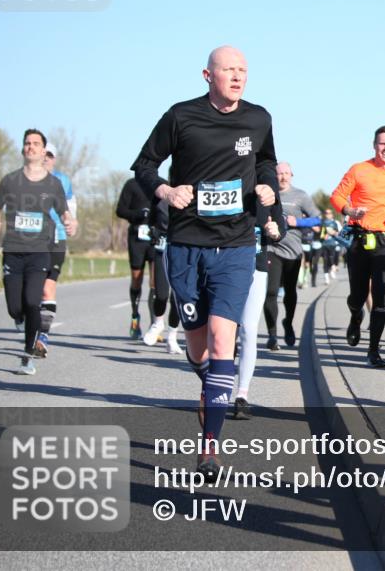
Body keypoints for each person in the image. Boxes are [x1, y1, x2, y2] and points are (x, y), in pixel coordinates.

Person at [132, 45, 278, 477]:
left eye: (243, 70)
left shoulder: (259, 118)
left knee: (221, 342)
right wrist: (166, 191)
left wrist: (267, 187)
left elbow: (266, 160)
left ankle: (209, 448)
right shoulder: (181, 116)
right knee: (199, 348)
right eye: (229, 70)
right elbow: (143, 165)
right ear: (207, 75)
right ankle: (211, 383)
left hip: (234, 246)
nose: (238, 76)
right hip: (186, 245)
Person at [0, 129, 76, 375]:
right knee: (15, 308)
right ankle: (21, 321)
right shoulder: (10, 180)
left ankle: (28, 357)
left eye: (36, 144)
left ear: (43, 150)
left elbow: (64, 212)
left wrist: (71, 223)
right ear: (23, 149)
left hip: (40, 251)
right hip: (13, 251)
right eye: (27, 143)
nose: (31, 147)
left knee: (31, 302)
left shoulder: (54, 183)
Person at [330, 125, 385, 368]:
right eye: (382, 143)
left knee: (380, 297)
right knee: (357, 296)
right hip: (359, 239)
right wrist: (349, 210)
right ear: (374, 145)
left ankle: (374, 350)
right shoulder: (359, 169)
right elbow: (336, 196)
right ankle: (355, 316)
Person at [233, 200, 285, 419]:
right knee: (222, 332)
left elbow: (280, 224)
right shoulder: (224, 175)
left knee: (248, 330)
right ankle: (217, 387)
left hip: (257, 265)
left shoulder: (266, 187)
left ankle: (241, 396)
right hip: (224, 265)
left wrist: (277, 231)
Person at [263, 162, 320, 350]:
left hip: (293, 252)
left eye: (287, 173)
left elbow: (317, 218)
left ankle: (288, 322)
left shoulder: (301, 196)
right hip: (272, 248)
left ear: (292, 175)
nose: (283, 177)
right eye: (280, 174)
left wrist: (299, 221)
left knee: (290, 292)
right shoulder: (268, 193)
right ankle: (272, 335)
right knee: (270, 292)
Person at [37, 143, 77, 356]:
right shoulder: (26, 179)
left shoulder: (63, 180)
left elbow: (72, 205)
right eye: (44, 155)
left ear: (54, 158)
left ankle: (43, 335)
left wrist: (73, 222)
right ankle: (25, 316)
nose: (46, 159)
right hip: (32, 240)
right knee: (30, 291)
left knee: (47, 288)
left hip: (57, 237)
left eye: (50, 156)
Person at [140, 199, 185, 354]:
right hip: (161, 249)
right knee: (161, 294)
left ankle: (172, 338)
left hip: (183, 250)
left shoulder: (190, 196)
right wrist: (153, 233)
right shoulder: (159, 200)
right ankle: (158, 323)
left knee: (176, 298)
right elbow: (151, 222)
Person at [116, 177, 154, 338]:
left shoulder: (162, 184)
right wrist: (138, 214)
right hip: (136, 238)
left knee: (156, 284)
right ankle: (135, 316)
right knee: (136, 279)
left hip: (155, 237)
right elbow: (120, 210)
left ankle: (155, 323)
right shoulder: (131, 185)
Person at [317, 208, 342, 285]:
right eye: (326, 213)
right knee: (325, 260)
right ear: (325, 214)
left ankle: (332, 269)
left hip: (332, 244)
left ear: (332, 214)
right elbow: (320, 235)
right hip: (324, 244)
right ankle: (326, 278)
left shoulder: (334, 223)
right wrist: (323, 235)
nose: (328, 215)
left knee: (332, 259)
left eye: (329, 213)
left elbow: (337, 233)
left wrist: (332, 232)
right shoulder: (322, 223)